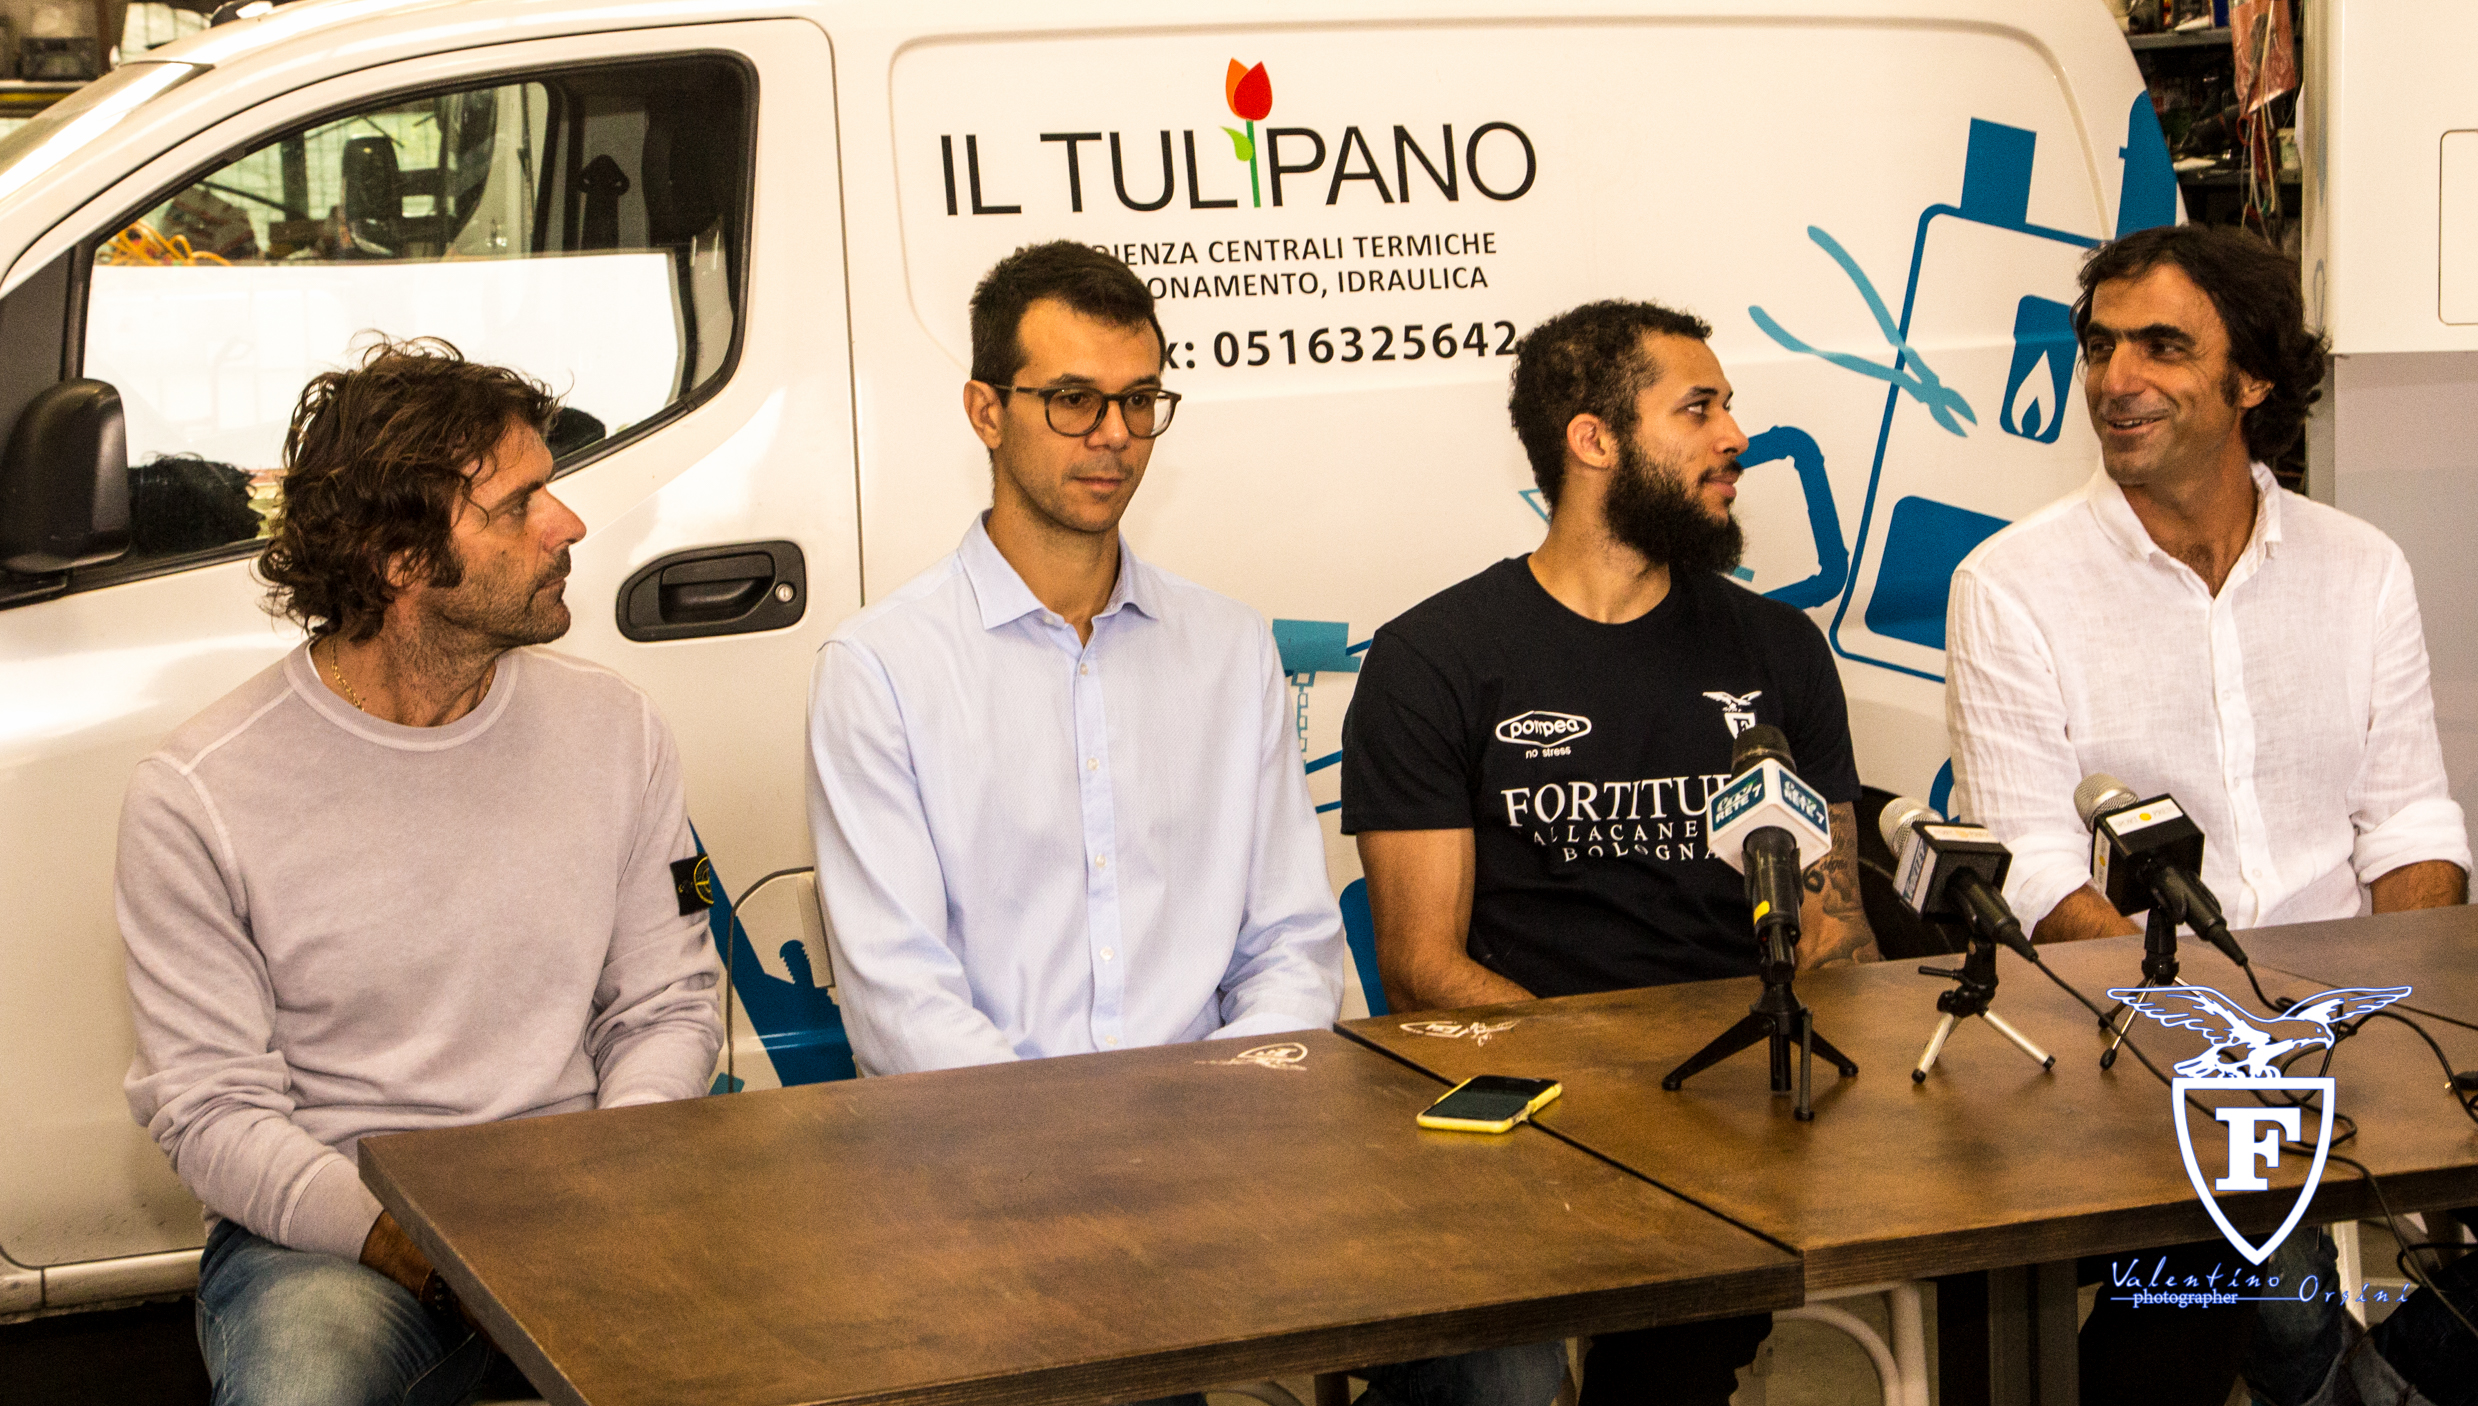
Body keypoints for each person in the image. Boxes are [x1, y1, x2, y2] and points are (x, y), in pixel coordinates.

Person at [118, 341, 726, 1406]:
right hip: (337, 1236)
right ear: (401, 560)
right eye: (520, 504)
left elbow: (669, 1001)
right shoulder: (198, 794)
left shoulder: (616, 730)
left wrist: (613, 1174)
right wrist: (412, 1247)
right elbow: (211, 1108)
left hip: (588, 1195)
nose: (569, 524)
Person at [1944, 224, 2473, 1405]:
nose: (2114, 378)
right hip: (2140, 1047)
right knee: (2250, 1265)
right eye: (2099, 346)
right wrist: (2224, 1039)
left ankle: (2382, 1371)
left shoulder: (2361, 566)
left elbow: (2409, 824)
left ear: (2254, 378)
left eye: (2161, 346)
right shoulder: (2010, 584)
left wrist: (2387, 1015)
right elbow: (2034, 871)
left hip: (2357, 1027)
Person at [1340, 299, 1878, 1406]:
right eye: (1699, 409)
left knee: (1680, 1338)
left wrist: (1715, 1084)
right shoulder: (1435, 659)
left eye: (1728, 407)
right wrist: (1623, 1083)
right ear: (1592, 440)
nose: (1736, 437)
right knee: (1499, 1371)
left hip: (1731, 1112)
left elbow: (1837, 925)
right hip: (1524, 1106)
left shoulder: (1777, 649)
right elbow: (1422, 968)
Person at [805, 239, 1343, 1079]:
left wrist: (1214, 1117)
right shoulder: (880, 670)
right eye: (1074, 401)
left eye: (1139, 400)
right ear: (986, 412)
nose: (1116, 434)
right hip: (990, 1142)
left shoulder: (1232, 651)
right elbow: (902, 1003)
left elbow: (1292, 948)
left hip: (1219, 1126)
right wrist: (1074, 1138)